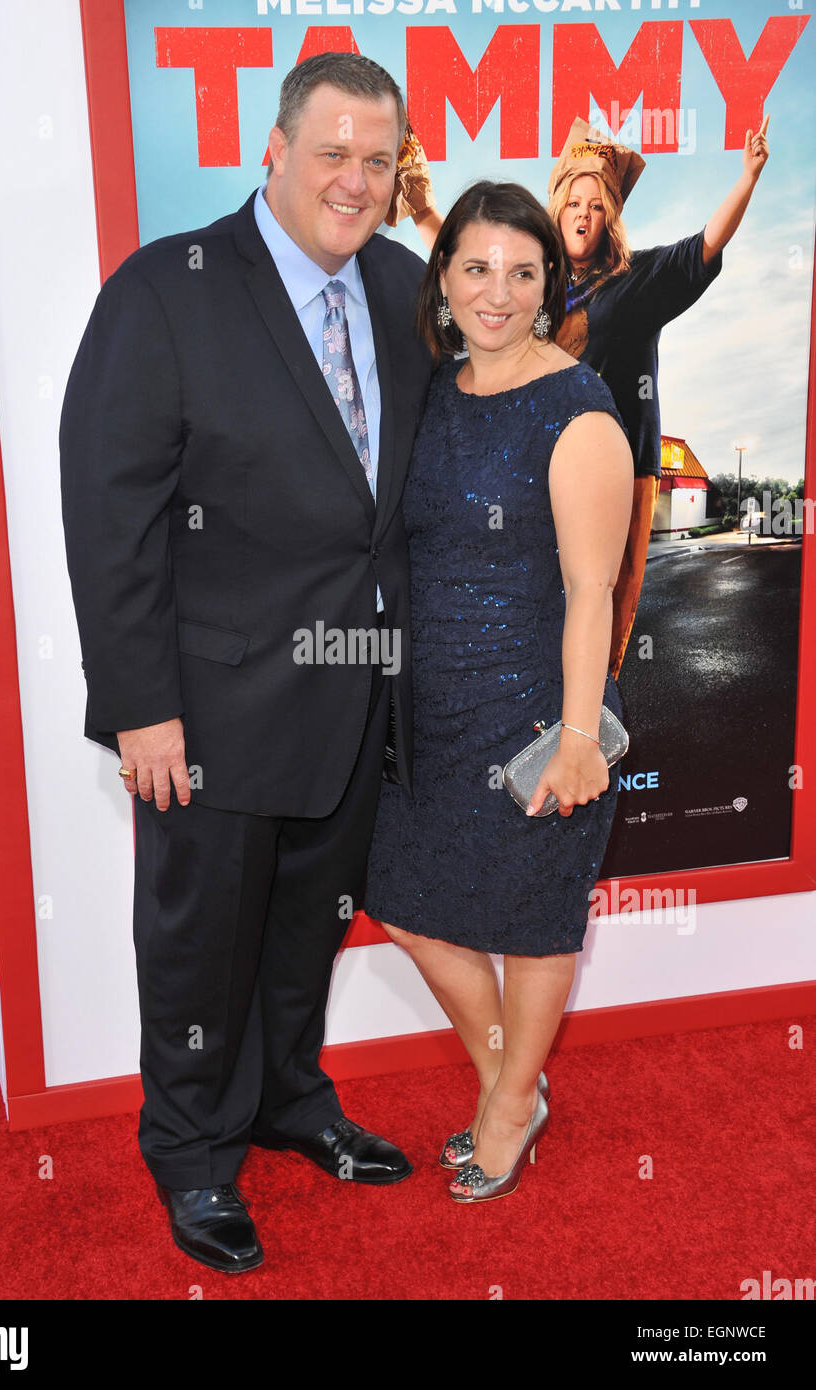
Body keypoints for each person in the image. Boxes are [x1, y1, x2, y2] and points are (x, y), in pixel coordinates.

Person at [59, 52, 433, 1273]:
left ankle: (288, 1101)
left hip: (351, 695)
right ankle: (192, 1151)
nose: (355, 180)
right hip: (209, 708)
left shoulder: (398, 287)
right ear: (273, 151)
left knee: (301, 932)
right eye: (333, 151)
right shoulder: (168, 289)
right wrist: (141, 708)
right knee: (200, 941)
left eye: (378, 160)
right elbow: (108, 510)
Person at [362, 181, 633, 1203]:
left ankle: (510, 1104)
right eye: (476, 267)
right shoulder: (433, 392)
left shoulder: (578, 410)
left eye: (524, 272)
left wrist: (575, 737)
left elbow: (592, 591)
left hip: (534, 709)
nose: (498, 291)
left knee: (530, 921)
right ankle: (507, 1078)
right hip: (428, 712)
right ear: (444, 279)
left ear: (550, 285)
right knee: (410, 906)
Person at [548, 115, 771, 675]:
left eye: (596, 205)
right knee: (544, 610)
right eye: (575, 202)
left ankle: (596, 724)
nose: (584, 214)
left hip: (622, 470)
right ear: (557, 210)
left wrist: (746, 179)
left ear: (610, 218)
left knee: (606, 612)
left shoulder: (635, 279)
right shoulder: (538, 286)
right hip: (547, 467)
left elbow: (702, 247)